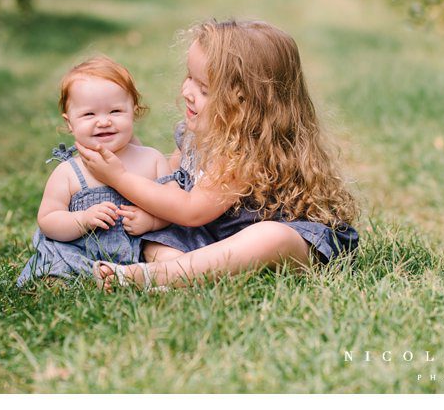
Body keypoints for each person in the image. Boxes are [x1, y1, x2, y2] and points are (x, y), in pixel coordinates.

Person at [76, 19, 359, 291]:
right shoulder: (196, 136)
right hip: (210, 237)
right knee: (155, 235)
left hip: (289, 244)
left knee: (270, 237)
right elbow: (169, 175)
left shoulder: (246, 153)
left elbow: (190, 210)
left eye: (204, 89)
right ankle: (179, 274)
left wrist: (119, 176)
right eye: (189, 77)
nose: (187, 92)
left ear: (246, 104)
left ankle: (158, 275)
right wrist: (132, 161)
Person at [16, 56, 173, 285]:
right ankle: (63, 280)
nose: (103, 122)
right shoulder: (68, 172)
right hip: (80, 252)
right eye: (89, 114)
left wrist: (152, 222)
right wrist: (83, 219)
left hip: (140, 250)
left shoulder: (152, 159)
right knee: (58, 259)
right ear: (70, 123)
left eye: (115, 111)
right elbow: (48, 220)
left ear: (134, 112)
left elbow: (173, 206)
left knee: (167, 250)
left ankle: (142, 277)